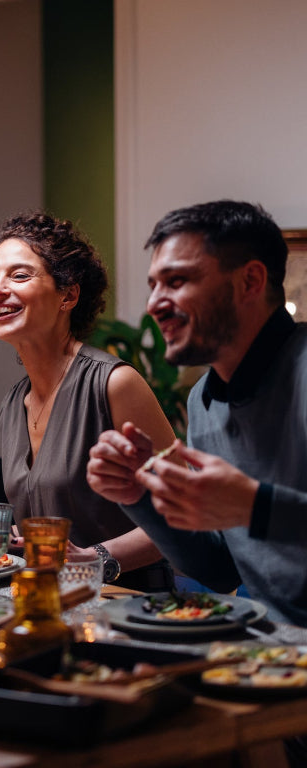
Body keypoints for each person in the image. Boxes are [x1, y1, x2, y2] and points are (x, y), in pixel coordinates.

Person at [0, 211, 177, 591]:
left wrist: (98, 559)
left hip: (130, 603)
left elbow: (180, 512)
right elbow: (46, 532)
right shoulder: (13, 404)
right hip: (49, 602)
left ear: (69, 295)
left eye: (20, 275)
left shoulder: (114, 383)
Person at [87, 199, 307, 625]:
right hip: (269, 655)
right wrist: (139, 496)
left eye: (177, 280)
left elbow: (256, 513)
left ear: (250, 282)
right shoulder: (203, 401)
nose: (154, 303)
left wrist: (255, 507)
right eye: (153, 284)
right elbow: (218, 570)